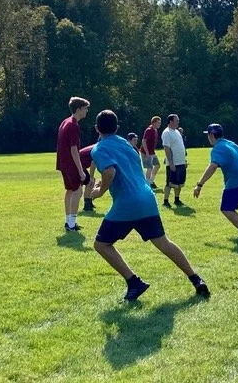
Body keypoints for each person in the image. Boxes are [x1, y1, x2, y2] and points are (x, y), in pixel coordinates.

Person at [90, 110, 210, 301]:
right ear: (117, 127)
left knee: (101, 244)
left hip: (127, 203)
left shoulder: (98, 149)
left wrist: (98, 191)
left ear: (97, 128)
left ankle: (134, 282)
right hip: (147, 198)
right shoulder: (126, 144)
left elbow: (110, 172)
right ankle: (196, 279)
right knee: (163, 242)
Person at [56, 96, 90, 231]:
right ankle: (71, 224)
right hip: (70, 163)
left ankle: (68, 221)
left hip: (63, 162)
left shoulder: (65, 122)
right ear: (79, 109)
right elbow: (74, 149)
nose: (86, 111)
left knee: (70, 190)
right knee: (77, 190)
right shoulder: (73, 125)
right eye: (85, 109)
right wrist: (80, 170)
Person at [161, 114, 187, 208]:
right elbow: (166, 148)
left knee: (179, 182)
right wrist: (171, 163)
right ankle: (166, 201)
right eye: (176, 120)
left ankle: (177, 199)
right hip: (173, 163)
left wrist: (184, 160)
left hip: (181, 162)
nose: (178, 122)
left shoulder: (176, 131)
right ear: (170, 121)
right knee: (169, 182)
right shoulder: (167, 132)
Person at [140, 116, 161, 188]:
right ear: (154, 122)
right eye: (158, 122)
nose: (160, 124)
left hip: (152, 152)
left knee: (157, 165)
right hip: (146, 152)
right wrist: (147, 152)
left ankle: (151, 181)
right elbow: (144, 141)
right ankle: (147, 184)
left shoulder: (155, 130)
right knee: (149, 168)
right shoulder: (149, 130)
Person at [79, 144, 99, 211]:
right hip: (76, 166)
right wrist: (91, 177)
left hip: (80, 166)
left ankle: (89, 202)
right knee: (89, 182)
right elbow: (93, 163)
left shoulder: (97, 146)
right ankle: (87, 205)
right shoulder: (98, 149)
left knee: (91, 182)